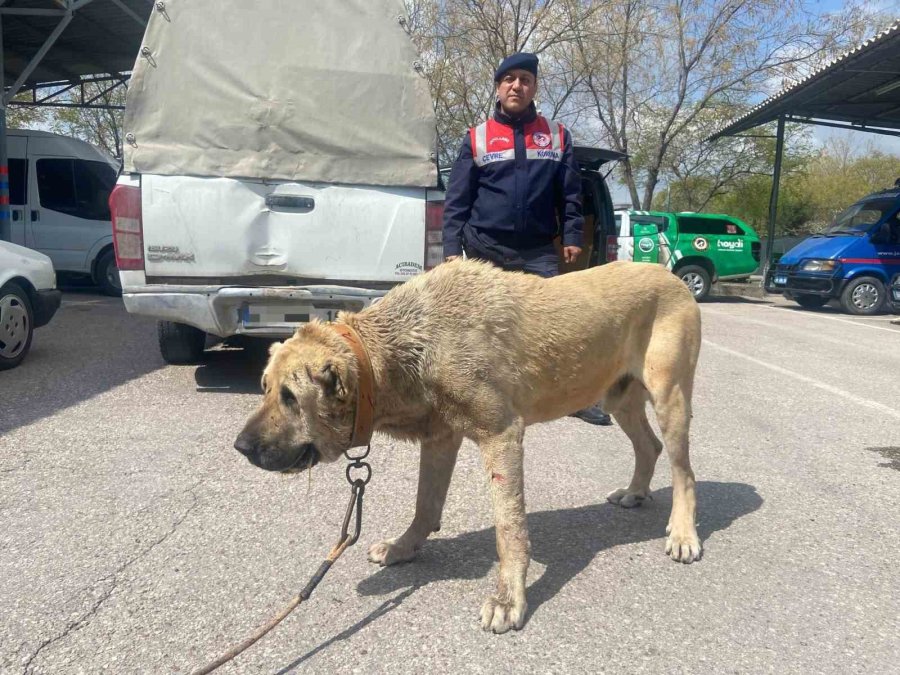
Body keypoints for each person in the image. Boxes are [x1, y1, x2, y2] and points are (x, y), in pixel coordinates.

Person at [441, 52, 612, 427]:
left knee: (558, 325)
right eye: (510, 79)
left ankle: (574, 398)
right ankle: (478, 396)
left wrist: (571, 235)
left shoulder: (556, 135)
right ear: (498, 86)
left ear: (534, 87)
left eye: (525, 80)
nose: (517, 85)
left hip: (537, 249)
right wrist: (452, 248)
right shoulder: (476, 138)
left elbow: (570, 194)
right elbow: (457, 199)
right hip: (485, 249)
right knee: (482, 326)